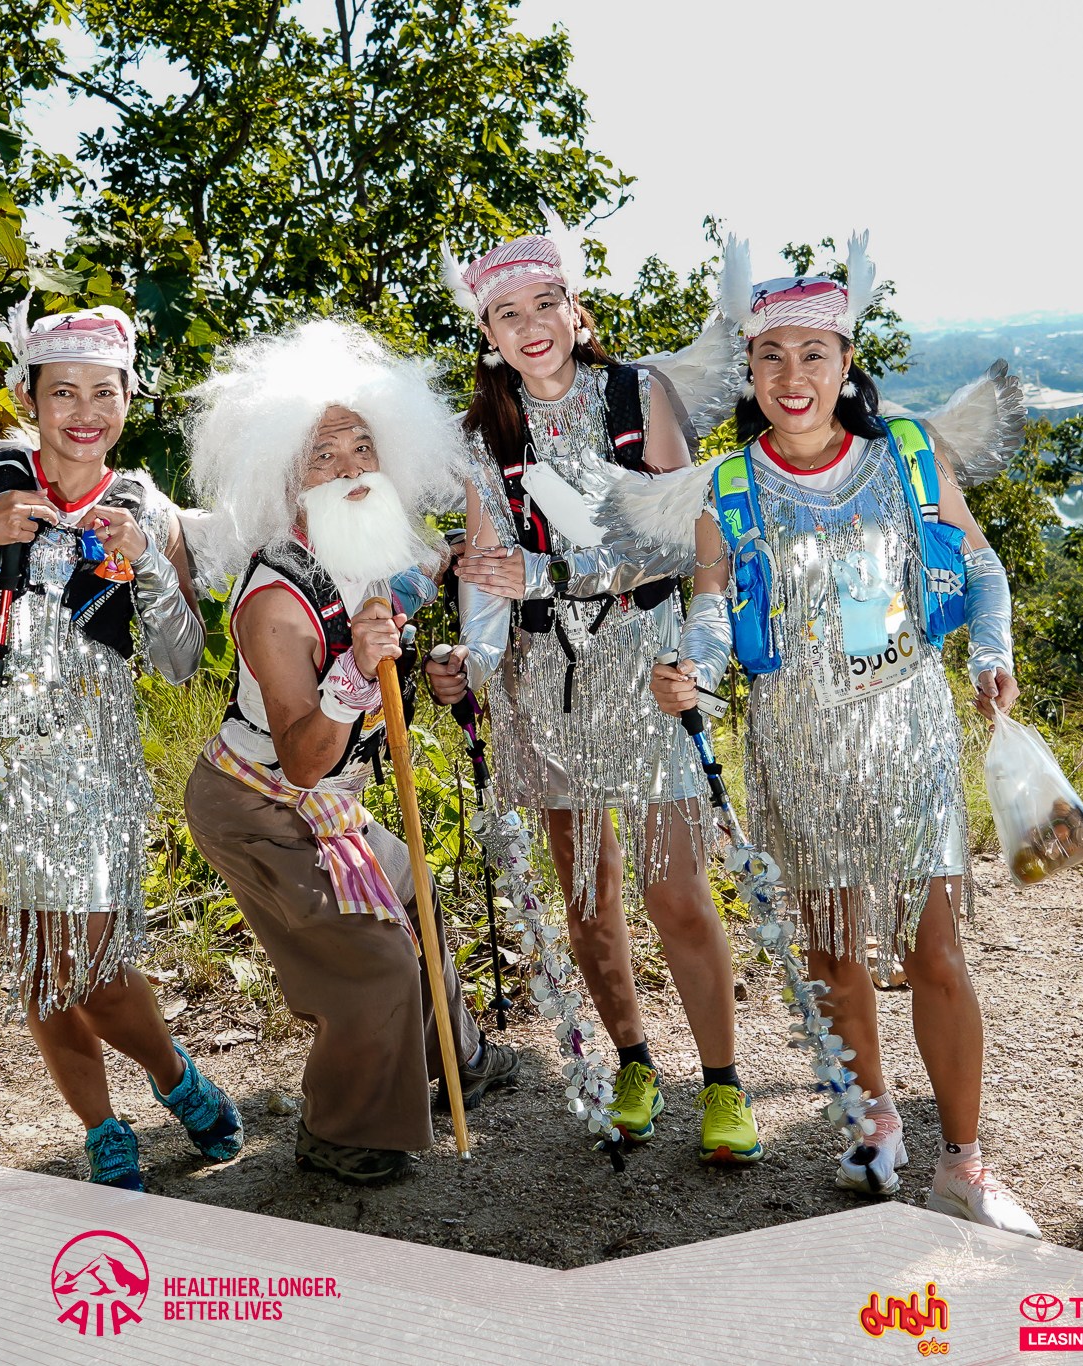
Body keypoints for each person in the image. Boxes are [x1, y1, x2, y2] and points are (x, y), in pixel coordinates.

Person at [625, 236, 1043, 1234]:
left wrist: (990, 652)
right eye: (770, 356)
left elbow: (982, 567)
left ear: (846, 362)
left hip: (907, 733)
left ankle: (963, 1163)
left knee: (934, 949)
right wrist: (693, 671)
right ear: (749, 371)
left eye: (814, 354)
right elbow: (714, 605)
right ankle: (874, 1123)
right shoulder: (729, 487)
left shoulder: (906, 456)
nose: (792, 376)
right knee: (831, 947)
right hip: (797, 743)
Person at [0, 299, 242, 1192]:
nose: (84, 411)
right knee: (37, 961)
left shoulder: (145, 506)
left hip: (87, 754)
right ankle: (101, 1128)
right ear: (28, 397)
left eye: (103, 392)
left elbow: (180, 663)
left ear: (129, 399)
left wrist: (148, 562)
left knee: (92, 965)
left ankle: (175, 1077)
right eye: (63, 392)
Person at [421, 214, 764, 1165]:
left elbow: (683, 537)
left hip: (646, 669)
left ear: (576, 309)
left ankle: (725, 1082)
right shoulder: (481, 438)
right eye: (507, 314)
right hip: (546, 685)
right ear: (485, 332)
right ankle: (633, 1061)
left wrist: (554, 572)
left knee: (676, 889)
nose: (531, 326)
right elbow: (486, 574)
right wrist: (468, 663)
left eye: (546, 304)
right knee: (587, 894)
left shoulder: (638, 394)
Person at [181, 320, 519, 1185]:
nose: (350, 469)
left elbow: (409, 580)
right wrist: (353, 676)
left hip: (331, 802)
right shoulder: (276, 601)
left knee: (414, 894)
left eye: (363, 447)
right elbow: (302, 758)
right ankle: (341, 1130)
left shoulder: (368, 542)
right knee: (372, 960)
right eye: (322, 456)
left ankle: (454, 1058)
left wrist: (442, 614)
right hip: (261, 806)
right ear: (285, 477)